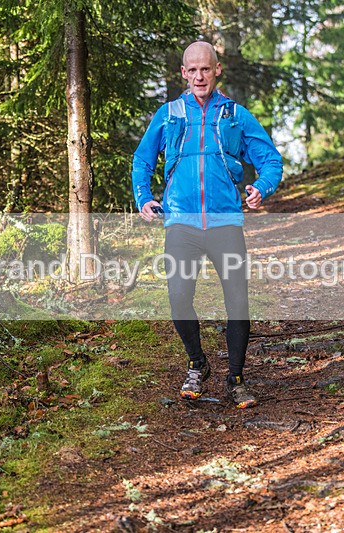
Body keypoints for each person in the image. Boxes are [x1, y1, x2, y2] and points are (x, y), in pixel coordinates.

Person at [131, 41, 283, 408]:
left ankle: (236, 379)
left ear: (217, 70)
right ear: (183, 73)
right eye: (193, 70)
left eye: (206, 69)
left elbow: (271, 160)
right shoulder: (168, 114)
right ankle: (197, 364)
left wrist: (261, 187)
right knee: (178, 298)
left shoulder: (235, 115)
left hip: (224, 222)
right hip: (181, 222)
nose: (200, 76)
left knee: (238, 301)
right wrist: (144, 197)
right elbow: (142, 160)